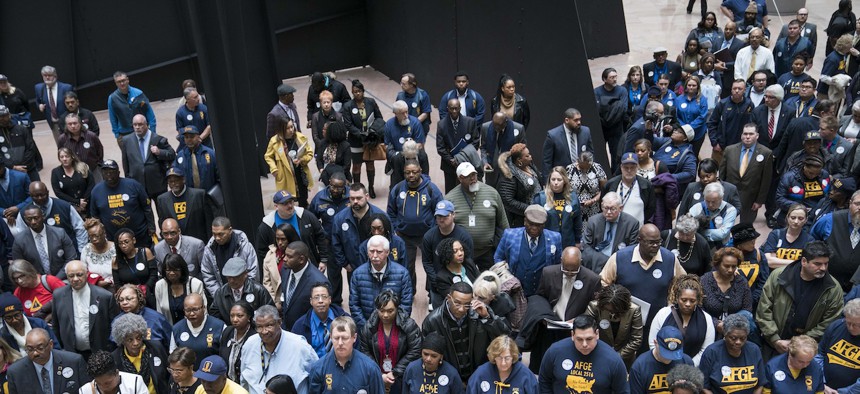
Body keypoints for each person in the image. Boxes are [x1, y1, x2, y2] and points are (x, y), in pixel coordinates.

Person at [757, 240, 844, 359]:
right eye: (817, 264)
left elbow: (829, 322)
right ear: (804, 261)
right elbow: (764, 309)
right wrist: (774, 339)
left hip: (805, 350)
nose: (823, 268)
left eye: (826, 263)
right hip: (772, 344)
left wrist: (800, 343)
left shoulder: (833, 289)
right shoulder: (779, 276)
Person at [600, 224, 686, 332]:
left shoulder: (670, 259)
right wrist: (615, 302)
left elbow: (683, 283)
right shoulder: (619, 257)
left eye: (658, 242)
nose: (655, 246)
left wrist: (671, 302)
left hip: (658, 323)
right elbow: (603, 282)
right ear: (639, 240)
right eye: (651, 242)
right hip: (623, 322)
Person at [422, 282, 511, 381]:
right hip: (449, 376)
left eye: (467, 305)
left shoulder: (480, 313)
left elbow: (505, 337)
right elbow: (427, 354)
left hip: (477, 373)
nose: (461, 309)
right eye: (457, 303)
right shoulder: (433, 321)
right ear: (448, 298)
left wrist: (487, 318)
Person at [387, 159, 443, 291]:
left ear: (420, 171)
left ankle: (431, 292)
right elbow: (390, 211)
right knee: (408, 266)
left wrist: (434, 230)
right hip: (404, 236)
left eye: (414, 172)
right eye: (407, 172)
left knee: (431, 264)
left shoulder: (431, 189)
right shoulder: (398, 189)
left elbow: (439, 210)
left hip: (427, 235)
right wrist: (395, 228)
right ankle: (410, 292)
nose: (411, 175)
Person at [538, 315, 630, 393]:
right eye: (579, 339)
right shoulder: (555, 351)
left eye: (589, 339)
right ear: (572, 335)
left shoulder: (613, 360)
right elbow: (544, 381)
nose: (584, 344)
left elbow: (623, 391)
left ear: (597, 334)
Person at [445, 163, 509, 271]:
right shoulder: (450, 199)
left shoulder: (492, 193)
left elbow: (503, 223)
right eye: (468, 176)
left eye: (474, 174)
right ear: (460, 178)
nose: (473, 178)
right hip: (461, 255)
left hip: (488, 252)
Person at [330, 183, 387, 304]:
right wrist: (345, 264)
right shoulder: (340, 219)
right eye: (352, 198)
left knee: (378, 298)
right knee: (356, 298)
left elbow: (388, 240)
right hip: (353, 267)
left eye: (359, 198)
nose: (355, 201)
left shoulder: (380, 216)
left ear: (367, 196)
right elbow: (336, 243)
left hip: (377, 265)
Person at [240, 305, 317, 394]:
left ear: (279, 322)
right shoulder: (250, 344)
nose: (264, 331)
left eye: (269, 325)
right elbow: (244, 380)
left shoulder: (299, 345)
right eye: (259, 327)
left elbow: (316, 376)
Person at [357, 290, 421, 394]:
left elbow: (415, 350)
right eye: (381, 311)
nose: (385, 315)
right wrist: (380, 374)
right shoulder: (369, 327)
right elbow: (365, 352)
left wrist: (395, 372)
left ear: (397, 308)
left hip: (402, 376)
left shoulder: (409, 325)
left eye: (390, 311)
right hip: (377, 376)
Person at [51, 260, 118, 358]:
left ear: (87, 274)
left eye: (79, 275)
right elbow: (56, 325)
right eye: (71, 276)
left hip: (100, 353)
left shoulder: (105, 297)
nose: (75, 279)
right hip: (71, 353)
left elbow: (114, 326)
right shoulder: (58, 295)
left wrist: (109, 350)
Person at [494, 204, 562, 297]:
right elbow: (498, 258)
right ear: (525, 221)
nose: (534, 228)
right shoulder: (509, 235)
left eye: (538, 225)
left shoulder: (555, 238)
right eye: (531, 224)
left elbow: (557, 265)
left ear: (544, 224)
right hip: (515, 292)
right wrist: (507, 279)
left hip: (542, 293)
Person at [649, 275, 715, 365]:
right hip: (663, 364)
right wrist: (665, 361)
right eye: (684, 300)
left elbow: (706, 349)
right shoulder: (663, 314)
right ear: (677, 298)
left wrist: (688, 366)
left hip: (693, 369)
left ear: (698, 300)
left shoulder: (706, 319)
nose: (688, 304)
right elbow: (653, 343)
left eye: (692, 301)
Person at [255, 190, 327, 273]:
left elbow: (320, 236)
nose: (290, 205)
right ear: (276, 206)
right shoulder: (267, 225)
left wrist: (323, 259)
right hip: (282, 270)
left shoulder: (306, 216)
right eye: (285, 203)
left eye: (291, 202)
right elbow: (261, 252)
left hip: (309, 266)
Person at [349, 235, 413, 328]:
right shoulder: (357, 275)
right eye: (371, 251)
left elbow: (406, 304)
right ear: (367, 252)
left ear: (387, 252)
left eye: (379, 252)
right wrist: (367, 328)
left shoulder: (402, 274)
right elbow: (354, 305)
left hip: (395, 328)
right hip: (366, 329)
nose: (375, 256)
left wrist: (395, 327)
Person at [89, 159, 155, 248]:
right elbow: (95, 216)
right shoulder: (96, 191)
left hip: (139, 235)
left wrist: (151, 227)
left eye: (111, 171)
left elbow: (146, 207)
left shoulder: (133, 185)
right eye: (105, 172)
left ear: (118, 172)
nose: (108, 174)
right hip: (113, 239)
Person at [309, 316, 385, 393]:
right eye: (336, 338)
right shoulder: (318, 368)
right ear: (331, 337)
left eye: (345, 338)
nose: (340, 343)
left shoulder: (370, 369)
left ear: (354, 337)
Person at [698, 313, 768, 394]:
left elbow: (760, 385)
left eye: (743, 338)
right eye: (733, 338)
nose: (738, 342)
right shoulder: (711, 352)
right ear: (725, 334)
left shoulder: (754, 350)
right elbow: (704, 387)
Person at [719, 122, 774, 224]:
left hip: (751, 197)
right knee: (724, 222)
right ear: (741, 135)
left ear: (757, 136)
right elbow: (722, 174)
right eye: (745, 134)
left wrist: (759, 201)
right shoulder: (729, 150)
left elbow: (766, 180)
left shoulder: (766, 153)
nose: (747, 137)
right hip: (729, 195)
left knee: (745, 227)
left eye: (751, 134)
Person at [6, 328, 89, 394]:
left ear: (51, 344)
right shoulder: (15, 372)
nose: (35, 353)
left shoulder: (74, 362)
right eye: (30, 349)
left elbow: (87, 391)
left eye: (40, 348)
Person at [120, 114, 177, 208]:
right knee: (145, 216)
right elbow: (126, 163)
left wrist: (159, 152)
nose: (137, 127)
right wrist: (129, 181)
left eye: (140, 124)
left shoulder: (158, 139)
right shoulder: (126, 140)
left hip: (158, 184)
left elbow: (172, 154)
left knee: (163, 213)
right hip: (138, 185)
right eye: (135, 125)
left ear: (147, 125)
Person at [583, 284, 644, 368]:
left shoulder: (634, 310)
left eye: (614, 310)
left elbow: (636, 339)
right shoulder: (594, 306)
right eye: (607, 309)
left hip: (624, 359)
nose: (611, 312)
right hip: (597, 356)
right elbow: (586, 331)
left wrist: (617, 357)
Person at [11, 203, 77, 279]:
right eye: (29, 219)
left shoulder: (60, 233)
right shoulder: (19, 240)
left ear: (43, 216)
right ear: (25, 219)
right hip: (35, 283)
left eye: (36, 218)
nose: (33, 222)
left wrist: (55, 280)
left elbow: (71, 258)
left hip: (62, 278)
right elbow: (20, 267)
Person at [110, 313, 169, 393]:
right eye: (130, 340)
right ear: (122, 341)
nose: (136, 343)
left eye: (138, 338)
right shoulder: (115, 358)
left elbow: (168, 374)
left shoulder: (156, 348)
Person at [581, 192, 640, 272]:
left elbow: (632, 250)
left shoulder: (632, 224)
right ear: (601, 206)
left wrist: (612, 262)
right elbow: (586, 247)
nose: (608, 212)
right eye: (606, 208)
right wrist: (603, 260)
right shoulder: (593, 221)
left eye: (612, 209)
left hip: (619, 265)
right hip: (596, 264)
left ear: (621, 208)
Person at [341, 80, 383, 192]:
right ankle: (357, 188)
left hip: (370, 139)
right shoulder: (348, 106)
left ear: (363, 91)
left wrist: (372, 131)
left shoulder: (371, 102)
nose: (357, 94)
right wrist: (361, 134)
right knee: (356, 165)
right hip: (355, 141)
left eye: (359, 91)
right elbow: (348, 124)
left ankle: (371, 187)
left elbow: (379, 117)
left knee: (370, 164)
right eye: (354, 92)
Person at [278, 240, 329, 331]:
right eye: (285, 255)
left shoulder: (319, 282)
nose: (285, 259)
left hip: (306, 330)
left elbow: (322, 312)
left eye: (289, 257)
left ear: (301, 259)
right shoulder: (285, 269)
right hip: (287, 328)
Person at [201, 217, 258, 297]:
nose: (217, 238)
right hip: (223, 296)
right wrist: (220, 296)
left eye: (221, 234)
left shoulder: (245, 246)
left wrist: (245, 294)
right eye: (214, 234)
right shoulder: (209, 249)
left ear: (230, 230)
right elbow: (208, 275)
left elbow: (252, 272)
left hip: (245, 295)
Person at [700, 247, 752, 335]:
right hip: (707, 328)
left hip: (735, 332)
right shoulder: (704, 281)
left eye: (734, 266)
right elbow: (699, 309)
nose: (730, 270)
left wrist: (729, 325)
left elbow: (747, 309)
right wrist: (716, 323)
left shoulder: (741, 282)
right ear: (717, 265)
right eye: (726, 266)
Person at [264, 116, 314, 208]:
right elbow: (268, 156)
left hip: (300, 173)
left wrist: (302, 160)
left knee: (303, 198)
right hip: (285, 175)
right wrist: (274, 168)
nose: (291, 130)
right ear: (281, 129)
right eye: (287, 128)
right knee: (288, 200)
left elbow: (310, 153)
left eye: (292, 126)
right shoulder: (275, 141)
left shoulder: (299, 137)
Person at [630, 326, 695, 394]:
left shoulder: (687, 362)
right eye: (665, 353)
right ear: (655, 343)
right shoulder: (640, 366)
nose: (669, 358)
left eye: (673, 354)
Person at [290, 282, 349, 358]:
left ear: (330, 299)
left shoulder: (345, 320)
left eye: (324, 297)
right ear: (311, 301)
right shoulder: (300, 326)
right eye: (316, 297)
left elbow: (354, 347)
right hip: (314, 367)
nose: (320, 301)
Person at [156, 166, 214, 242]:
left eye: (176, 180)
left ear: (183, 180)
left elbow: (209, 222)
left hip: (199, 241)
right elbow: (162, 223)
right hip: (176, 244)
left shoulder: (199, 195)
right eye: (170, 181)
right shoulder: (162, 199)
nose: (173, 184)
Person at [436, 98, 480, 194]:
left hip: (467, 162)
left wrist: (461, 158)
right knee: (451, 191)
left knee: (468, 190)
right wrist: (452, 161)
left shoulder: (470, 122)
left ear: (460, 108)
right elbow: (440, 147)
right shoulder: (441, 124)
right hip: (449, 164)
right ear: (448, 108)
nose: (454, 111)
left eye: (456, 108)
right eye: (452, 109)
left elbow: (475, 142)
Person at [209, 257, 272, 324]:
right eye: (229, 277)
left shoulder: (259, 290)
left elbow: (270, 313)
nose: (231, 281)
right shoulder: (220, 293)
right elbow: (214, 316)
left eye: (235, 277)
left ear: (245, 274)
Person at [170, 293, 225, 368]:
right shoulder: (177, 328)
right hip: (187, 377)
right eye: (188, 310)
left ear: (204, 308)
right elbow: (173, 357)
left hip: (212, 375)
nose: (191, 314)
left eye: (195, 309)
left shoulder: (219, 326)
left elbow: (225, 355)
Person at [466, 335, 537, 393]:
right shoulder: (480, 374)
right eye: (499, 358)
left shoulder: (526, 375)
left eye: (507, 358)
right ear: (494, 357)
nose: (503, 363)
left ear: (513, 356)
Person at [533, 166, 583, 247]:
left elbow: (577, 221)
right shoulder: (540, 198)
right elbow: (534, 223)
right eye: (553, 179)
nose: (556, 183)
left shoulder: (573, 197)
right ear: (549, 180)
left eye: (559, 180)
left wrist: (578, 240)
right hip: (546, 242)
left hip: (568, 241)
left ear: (565, 181)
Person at [678, 158, 742, 219]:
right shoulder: (692, 187)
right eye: (702, 177)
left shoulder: (730, 188)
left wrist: (727, 217)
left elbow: (738, 207)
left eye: (708, 176)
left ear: (715, 173)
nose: (705, 179)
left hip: (719, 226)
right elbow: (683, 210)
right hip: (694, 226)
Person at [543, 109, 596, 183]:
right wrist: (547, 182)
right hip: (562, 178)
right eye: (576, 120)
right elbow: (547, 162)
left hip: (583, 176)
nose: (579, 122)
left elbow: (591, 154)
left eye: (580, 119)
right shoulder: (553, 135)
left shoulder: (585, 131)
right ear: (567, 120)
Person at [818, 299, 860, 391]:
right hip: (822, 386)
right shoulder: (836, 326)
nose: (851, 328)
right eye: (848, 323)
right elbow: (819, 355)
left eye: (857, 325)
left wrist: (842, 392)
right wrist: (821, 382)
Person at [604, 152, 655, 227]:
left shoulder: (646, 186)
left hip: (637, 229)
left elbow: (650, 208)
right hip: (614, 227)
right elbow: (603, 205)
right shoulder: (611, 184)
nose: (629, 170)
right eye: (626, 167)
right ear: (621, 167)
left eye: (632, 167)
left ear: (637, 167)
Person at [155, 253, 207, 326]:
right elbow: (159, 313)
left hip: (195, 327)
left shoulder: (195, 284)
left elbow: (204, 312)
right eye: (168, 270)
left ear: (182, 269)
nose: (171, 273)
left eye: (175, 269)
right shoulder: (159, 285)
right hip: (170, 329)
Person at [113, 284, 171, 350]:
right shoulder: (117, 321)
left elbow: (170, 343)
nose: (124, 302)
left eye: (129, 299)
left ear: (139, 298)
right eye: (121, 300)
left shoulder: (156, 318)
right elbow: (114, 346)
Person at [107, 71, 156, 145]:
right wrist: (117, 135)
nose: (122, 83)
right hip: (124, 135)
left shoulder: (139, 93)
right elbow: (112, 117)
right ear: (115, 83)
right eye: (119, 82)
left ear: (127, 80)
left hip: (142, 132)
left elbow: (149, 112)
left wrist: (152, 131)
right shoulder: (112, 98)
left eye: (123, 80)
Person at [648, 124, 698, 195]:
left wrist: (668, 177)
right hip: (649, 172)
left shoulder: (687, 154)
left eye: (679, 132)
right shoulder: (668, 141)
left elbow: (690, 173)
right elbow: (651, 142)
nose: (675, 132)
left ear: (685, 138)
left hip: (662, 186)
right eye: (675, 130)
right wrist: (648, 130)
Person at [112, 228, 157, 306]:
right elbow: (117, 284)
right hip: (128, 299)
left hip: (148, 294)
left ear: (133, 240)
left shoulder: (145, 252)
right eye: (120, 243)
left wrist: (144, 289)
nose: (123, 245)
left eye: (126, 242)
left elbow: (154, 274)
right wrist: (129, 293)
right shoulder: (116, 260)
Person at [762, 203, 812, 270]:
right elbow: (769, 261)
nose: (796, 221)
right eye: (793, 218)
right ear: (787, 217)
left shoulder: (809, 240)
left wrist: (776, 260)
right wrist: (797, 263)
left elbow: (807, 264)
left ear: (806, 220)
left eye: (800, 218)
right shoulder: (775, 235)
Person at [481, 112, 525, 185]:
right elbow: (483, 148)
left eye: (499, 125)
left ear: (506, 121)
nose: (497, 128)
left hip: (510, 173)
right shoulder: (486, 127)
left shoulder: (519, 129)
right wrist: (485, 162)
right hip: (492, 173)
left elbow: (522, 152)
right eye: (495, 125)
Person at [595, 69, 629, 164]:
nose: (614, 79)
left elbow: (623, 109)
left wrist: (606, 110)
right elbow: (597, 110)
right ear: (604, 79)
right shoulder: (597, 92)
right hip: (602, 127)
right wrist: (615, 108)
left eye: (615, 77)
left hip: (616, 128)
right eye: (611, 77)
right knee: (599, 153)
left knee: (616, 155)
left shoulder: (622, 90)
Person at [567, 151, 608, 229]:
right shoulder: (570, 169)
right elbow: (565, 189)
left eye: (587, 167)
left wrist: (593, 200)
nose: (584, 170)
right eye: (582, 167)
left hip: (594, 208)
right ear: (578, 162)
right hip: (575, 208)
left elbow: (604, 189)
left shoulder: (597, 168)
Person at [431, 238, 479, 305]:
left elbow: (480, 281)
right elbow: (455, 301)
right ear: (447, 254)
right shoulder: (442, 277)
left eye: (461, 250)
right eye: (455, 251)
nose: (460, 253)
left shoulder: (468, 263)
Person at [51, 147, 96, 217]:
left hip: (88, 203)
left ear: (72, 157)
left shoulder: (82, 167)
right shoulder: (56, 172)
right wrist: (77, 202)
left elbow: (91, 184)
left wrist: (84, 201)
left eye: (67, 156)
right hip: (69, 206)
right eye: (62, 157)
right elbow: (58, 192)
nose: (64, 159)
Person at [58, 111, 103, 179]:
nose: (73, 126)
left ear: (80, 123)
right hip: (74, 173)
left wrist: (98, 165)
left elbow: (99, 151)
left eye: (75, 123)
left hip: (93, 171)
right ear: (66, 126)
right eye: (70, 124)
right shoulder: (62, 139)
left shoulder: (91, 136)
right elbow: (61, 154)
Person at [34, 65, 74, 143]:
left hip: (67, 121)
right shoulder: (38, 88)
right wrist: (39, 106)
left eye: (50, 75)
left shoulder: (66, 88)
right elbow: (37, 100)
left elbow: (74, 103)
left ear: (55, 76)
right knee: (61, 145)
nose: (47, 77)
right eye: (45, 76)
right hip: (54, 124)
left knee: (72, 143)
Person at [173, 125, 219, 191]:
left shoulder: (210, 153)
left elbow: (219, 176)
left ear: (198, 137)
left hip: (208, 194)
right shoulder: (180, 156)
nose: (189, 140)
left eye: (192, 137)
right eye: (186, 137)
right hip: (189, 197)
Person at [0, 105, 39, 182]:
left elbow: (31, 149)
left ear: (9, 115)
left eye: (4, 116)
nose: (1, 119)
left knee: (37, 191)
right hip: (9, 172)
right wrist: (13, 167)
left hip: (29, 169)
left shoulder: (21, 129)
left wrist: (23, 166)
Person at [219, 302, 255, 383]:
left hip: (247, 382)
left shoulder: (254, 337)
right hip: (228, 382)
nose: (235, 319)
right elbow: (221, 356)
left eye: (240, 316)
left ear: (249, 317)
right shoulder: (227, 331)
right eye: (232, 316)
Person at [80, 218, 116, 288]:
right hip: (94, 288)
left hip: (114, 287)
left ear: (104, 233)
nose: (94, 239)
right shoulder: (86, 250)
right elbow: (83, 272)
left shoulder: (115, 248)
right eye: (91, 236)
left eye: (96, 235)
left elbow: (123, 271)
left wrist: (109, 281)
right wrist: (96, 282)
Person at [315, 121, 351, 186]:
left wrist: (335, 176)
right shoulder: (323, 143)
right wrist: (322, 170)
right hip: (325, 176)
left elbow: (346, 166)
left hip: (341, 177)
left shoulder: (345, 146)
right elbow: (319, 159)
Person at [819, 34, 854, 99]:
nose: (852, 47)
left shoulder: (843, 55)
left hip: (835, 91)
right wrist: (837, 81)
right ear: (845, 47)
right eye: (850, 45)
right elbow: (823, 77)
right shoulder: (832, 59)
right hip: (825, 93)